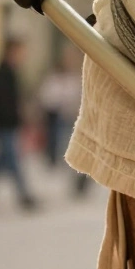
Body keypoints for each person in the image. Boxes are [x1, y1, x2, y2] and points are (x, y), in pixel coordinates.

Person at [0, 39, 38, 210]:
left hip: (7, 123)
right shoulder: (1, 75)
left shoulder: (10, 74)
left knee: (0, 162)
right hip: (3, 124)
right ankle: (24, 195)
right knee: (12, 160)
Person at [38, 48, 88, 196]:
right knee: (63, 148)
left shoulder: (80, 76)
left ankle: (79, 181)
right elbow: (48, 98)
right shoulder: (55, 78)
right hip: (61, 119)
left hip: (78, 119)